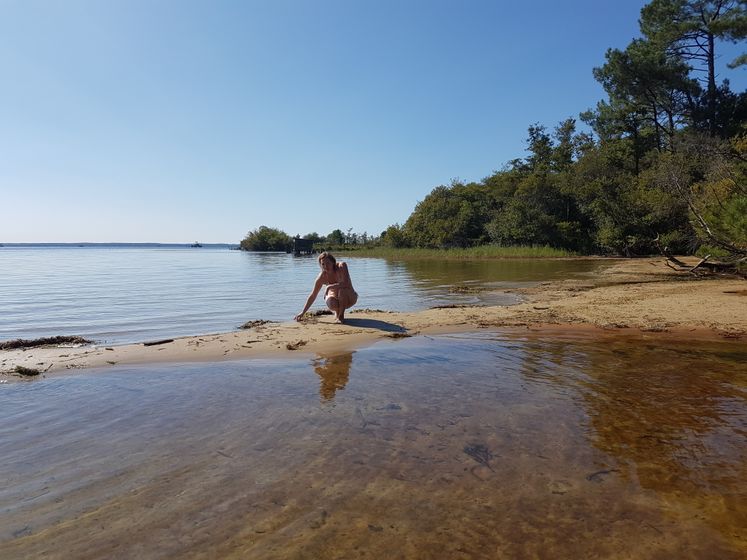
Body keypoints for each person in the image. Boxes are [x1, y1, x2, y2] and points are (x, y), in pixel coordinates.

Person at [294, 252, 358, 323]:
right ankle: (337, 312)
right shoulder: (321, 277)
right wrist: (302, 312)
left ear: (333, 262)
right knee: (331, 301)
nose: (325, 266)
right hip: (335, 299)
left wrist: (329, 287)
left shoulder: (341, 266)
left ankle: (341, 316)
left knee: (341, 291)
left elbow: (346, 284)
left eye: (328, 263)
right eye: (323, 264)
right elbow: (313, 295)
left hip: (350, 298)